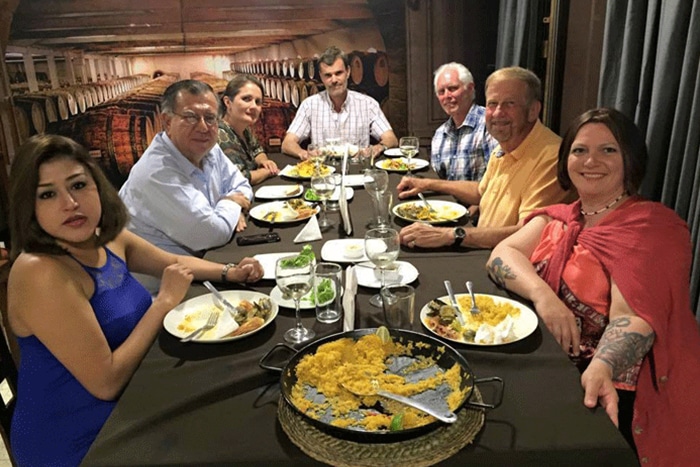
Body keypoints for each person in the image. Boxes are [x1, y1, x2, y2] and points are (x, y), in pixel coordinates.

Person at [6, 134, 264, 466]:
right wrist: (163, 303)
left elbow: (172, 263)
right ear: (29, 206)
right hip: (83, 440)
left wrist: (230, 271)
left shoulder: (105, 237)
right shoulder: (38, 271)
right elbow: (106, 382)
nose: (69, 203)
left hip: (137, 396)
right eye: (48, 194)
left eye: (78, 185)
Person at [486, 108, 700, 465]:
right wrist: (544, 295)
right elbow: (502, 253)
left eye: (608, 150)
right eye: (580, 150)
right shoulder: (565, 217)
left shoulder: (651, 230)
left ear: (630, 159)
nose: (591, 161)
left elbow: (632, 318)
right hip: (553, 365)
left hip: (616, 390)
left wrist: (601, 367)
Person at [398, 66, 574, 250]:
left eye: (509, 104)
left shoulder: (552, 158)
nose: (498, 112)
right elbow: (481, 193)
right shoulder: (504, 146)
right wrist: (428, 184)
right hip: (480, 249)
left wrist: (450, 235)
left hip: (508, 265)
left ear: (533, 110)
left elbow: (527, 233)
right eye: (492, 104)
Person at [119, 79, 253, 258]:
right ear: (167, 122)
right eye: (190, 117)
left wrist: (226, 212)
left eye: (210, 118)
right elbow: (211, 233)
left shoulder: (209, 149)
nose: (203, 127)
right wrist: (230, 203)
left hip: (204, 262)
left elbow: (243, 186)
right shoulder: (156, 172)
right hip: (164, 282)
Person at [281, 46, 398, 160]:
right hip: (323, 172)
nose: (334, 80)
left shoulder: (368, 104)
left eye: (338, 73)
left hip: (358, 170)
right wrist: (304, 154)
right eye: (328, 75)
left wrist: (379, 147)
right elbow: (287, 143)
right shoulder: (309, 105)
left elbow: (391, 139)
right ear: (321, 77)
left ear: (348, 72)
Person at [430, 62, 497, 181]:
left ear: (470, 89)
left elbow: (495, 185)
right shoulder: (440, 135)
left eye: (452, 88)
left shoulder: (490, 124)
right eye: (441, 92)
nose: (447, 96)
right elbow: (437, 184)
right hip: (445, 200)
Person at [218, 74, 279, 185]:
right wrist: (266, 171)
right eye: (246, 99)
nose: (253, 106)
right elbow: (239, 177)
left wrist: (264, 161)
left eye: (258, 102)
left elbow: (257, 150)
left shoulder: (244, 129)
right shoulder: (221, 135)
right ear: (227, 102)